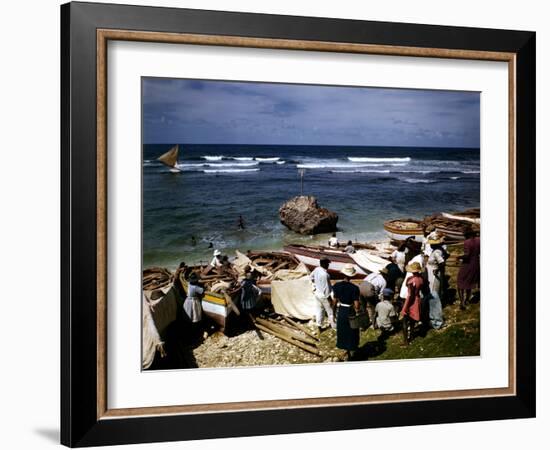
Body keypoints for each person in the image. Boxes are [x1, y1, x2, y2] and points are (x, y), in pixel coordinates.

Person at [332, 264, 361, 358]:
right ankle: (352, 350)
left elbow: (334, 301)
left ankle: (345, 350)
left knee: (342, 330)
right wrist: (358, 312)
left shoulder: (336, 285)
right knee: (352, 330)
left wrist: (333, 312)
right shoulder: (354, 288)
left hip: (341, 310)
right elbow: (356, 304)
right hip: (350, 310)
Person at [400, 261, 424, 345]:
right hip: (417, 299)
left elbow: (410, 295)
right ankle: (412, 335)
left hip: (410, 301)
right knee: (412, 321)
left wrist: (404, 308)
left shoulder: (411, 281)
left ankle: (405, 341)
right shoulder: (421, 279)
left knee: (405, 321)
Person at [457, 227, 480, 310]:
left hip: (467, 264)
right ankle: (467, 300)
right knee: (469, 282)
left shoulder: (467, 242)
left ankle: (462, 302)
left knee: (460, 283)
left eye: (464, 235)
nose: (464, 236)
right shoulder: (479, 240)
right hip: (476, 263)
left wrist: (459, 257)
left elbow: (467, 255)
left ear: (467, 234)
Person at [425, 236, 446, 329]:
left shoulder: (437, 252)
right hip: (433, 273)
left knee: (433, 296)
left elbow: (442, 262)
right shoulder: (440, 250)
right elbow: (446, 256)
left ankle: (436, 320)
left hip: (433, 275)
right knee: (435, 294)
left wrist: (437, 269)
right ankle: (434, 317)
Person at [310, 258, 336, 331]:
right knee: (330, 311)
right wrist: (330, 300)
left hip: (317, 293)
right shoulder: (325, 275)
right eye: (327, 264)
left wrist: (316, 284)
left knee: (319, 310)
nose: (328, 265)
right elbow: (326, 289)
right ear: (324, 264)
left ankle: (319, 326)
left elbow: (311, 277)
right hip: (324, 296)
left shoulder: (316, 269)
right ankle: (334, 326)